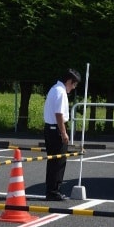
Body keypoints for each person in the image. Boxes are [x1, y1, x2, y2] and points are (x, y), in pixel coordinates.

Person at [43, 68, 81, 200]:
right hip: (56, 130)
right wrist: (64, 133)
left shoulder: (54, 88)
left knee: (53, 161)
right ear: (69, 81)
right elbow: (59, 114)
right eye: (74, 84)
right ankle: (54, 191)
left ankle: (51, 190)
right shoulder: (61, 92)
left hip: (49, 128)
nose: (74, 87)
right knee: (59, 161)